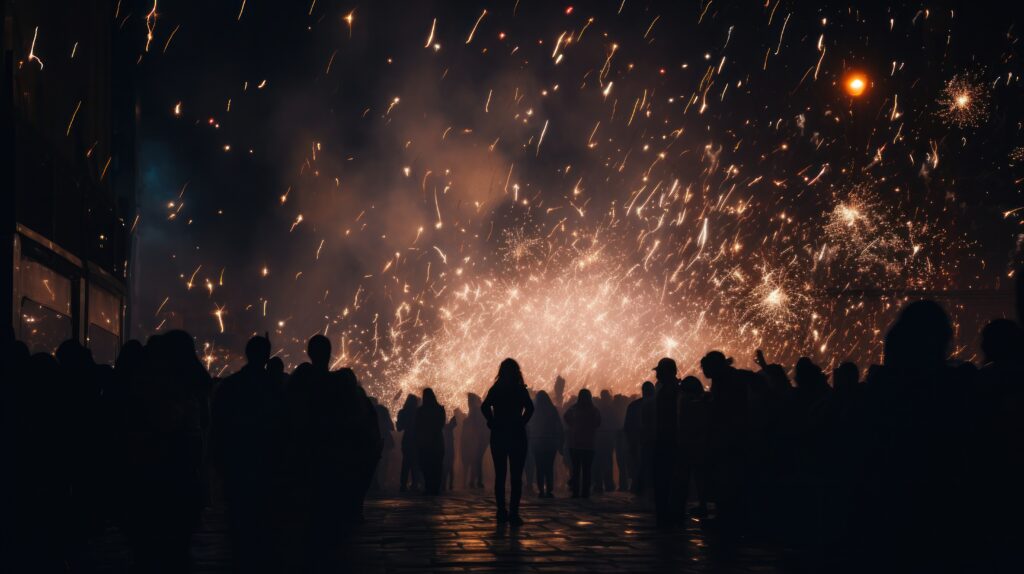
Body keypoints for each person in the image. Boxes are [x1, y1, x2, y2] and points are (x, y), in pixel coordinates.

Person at [211, 336, 285, 573]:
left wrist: (219, 461)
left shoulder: (232, 386)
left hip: (238, 465)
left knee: (239, 523)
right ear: (266, 356)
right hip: (267, 466)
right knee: (266, 525)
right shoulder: (275, 388)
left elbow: (218, 426)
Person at [481, 358, 535, 525]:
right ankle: (514, 512)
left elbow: (484, 407)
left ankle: (501, 510)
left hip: (499, 434)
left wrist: (492, 421)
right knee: (516, 476)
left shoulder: (497, 388)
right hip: (517, 435)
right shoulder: (520, 389)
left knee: (500, 475)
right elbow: (530, 408)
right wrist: (521, 421)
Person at [651, 358, 681, 527]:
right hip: (665, 439)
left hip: (668, 440)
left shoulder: (671, 390)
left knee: (665, 480)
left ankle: (667, 515)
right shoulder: (668, 389)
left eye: (659, 371)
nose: (657, 374)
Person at [564, 389, 601, 498]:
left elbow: (566, 417)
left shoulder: (574, 409)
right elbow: (598, 422)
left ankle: (575, 492)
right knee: (587, 470)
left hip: (575, 443)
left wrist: (573, 426)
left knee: (576, 469)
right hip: (589, 444)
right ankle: (585, 492)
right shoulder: (594, 410)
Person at [528, 390, 563, 498]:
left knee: (539, 467)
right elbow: (559, 426)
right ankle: (549, 489)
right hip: (550, 442)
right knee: (549, 467)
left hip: (537, 442)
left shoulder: (534, 411)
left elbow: (529, 425)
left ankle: (541, 490)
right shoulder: (552, 410)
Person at [623, 381, 654, 493]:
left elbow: (627, 426)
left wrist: (629, 441)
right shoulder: (658, 404)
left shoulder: (634, 405)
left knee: (638, 466)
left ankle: (638, 488)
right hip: (649, 441)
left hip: (639, 441)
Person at [415, 389, 446, 496]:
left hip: (425, 442)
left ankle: (429, 487)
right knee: (436, 466)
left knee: (426, 465)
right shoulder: (440, 409)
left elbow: (417, 426)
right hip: (437, 441)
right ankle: (435, 488)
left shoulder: (421, 411)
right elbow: (441, 424)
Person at [460, 393, 488, 489]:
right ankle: (476, 481)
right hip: (480, 439)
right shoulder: (477, 409)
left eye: (469, 400)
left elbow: (475, 425)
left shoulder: (475, 410)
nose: (468, 402)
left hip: (478, 440)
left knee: (475, 459)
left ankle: (476, 481)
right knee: (476, 460)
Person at [593, 389, 616, 493]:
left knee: (598, 463)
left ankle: (598, 485)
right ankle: (608, 484)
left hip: (599, 439)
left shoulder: (598, 409)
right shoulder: (611, 409)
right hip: (607, 439)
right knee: (607, 462)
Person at [396, 394, 420, 492]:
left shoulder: (402, 412)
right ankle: (415, 484)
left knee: (406, 463)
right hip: (417, 440)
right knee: (415, 463)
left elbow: (399, 428)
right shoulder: (419, 413)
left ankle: (403, 484)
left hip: (407, 440)